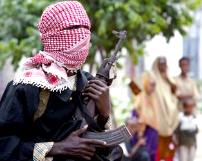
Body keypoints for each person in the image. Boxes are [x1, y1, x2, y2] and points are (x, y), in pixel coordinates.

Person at [0, 1, 114, 161]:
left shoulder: (89, 83)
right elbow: (4, 147)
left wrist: (104, 116)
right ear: (53, 36)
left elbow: (105, 150)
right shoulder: (27, 86)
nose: (82, 36)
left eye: (85, 29)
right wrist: (55, 148)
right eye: (73, 29)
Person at [151, 57, 179, 161]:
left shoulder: (169, 78)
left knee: (169, 147)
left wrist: (167, 79)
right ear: (156, 65)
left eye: (164, 64)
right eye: (161, 64)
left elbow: (175, 92)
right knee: (156, 147)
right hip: (156, 118)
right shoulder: (152, 77)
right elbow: (138, 90)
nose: (163, 66)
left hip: (170, 118)